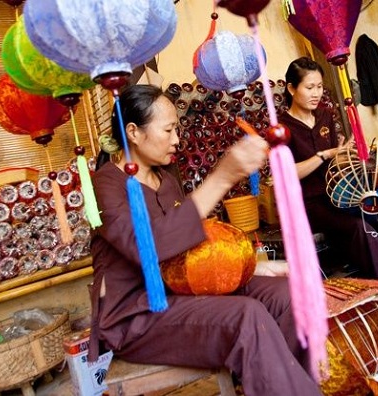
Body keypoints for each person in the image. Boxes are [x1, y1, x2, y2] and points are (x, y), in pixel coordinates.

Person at [88, 84, 323, 396]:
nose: (177, 139)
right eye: (169, 129)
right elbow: (149, 247)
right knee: (246, 315)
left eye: (178, 129)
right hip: (136, 315)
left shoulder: (167, 180)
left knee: (292, 294)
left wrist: (249, 268)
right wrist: (222, 177)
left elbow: (196, 248)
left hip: (185, 289)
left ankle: (287, 384)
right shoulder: (105, 185)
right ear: (133, 132)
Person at [280, 56, 378, 281]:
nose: (316, 93)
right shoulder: (283, 128)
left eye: (320, 86)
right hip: (312, 204)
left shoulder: (324, 115)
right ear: (292, 89)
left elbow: (338, 158)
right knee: (360, 227)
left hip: (342, 194)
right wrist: (325, 155)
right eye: (309, 87)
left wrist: (348, 156)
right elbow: (286, 174)